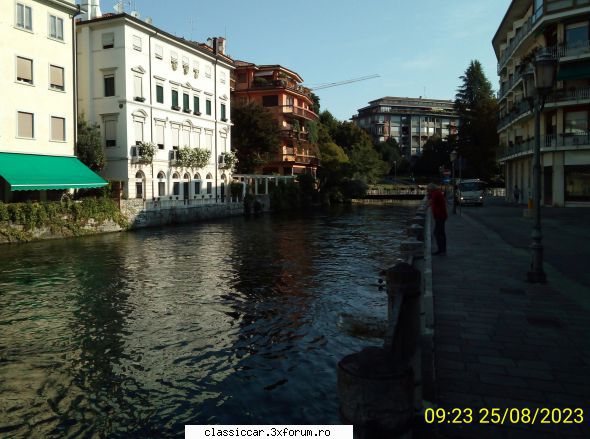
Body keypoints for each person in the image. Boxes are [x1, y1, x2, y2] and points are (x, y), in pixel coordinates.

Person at [427, 183, 448, 255]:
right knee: (440, 233)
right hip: (440, 216)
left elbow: (431, 201)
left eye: (428, 189)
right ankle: (442, 249)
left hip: (440, 216)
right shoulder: (436, 193)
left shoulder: (436, 193)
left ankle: (441, 250)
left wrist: (425, 206)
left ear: (431, 189)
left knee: (438, 233)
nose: (427, 191)